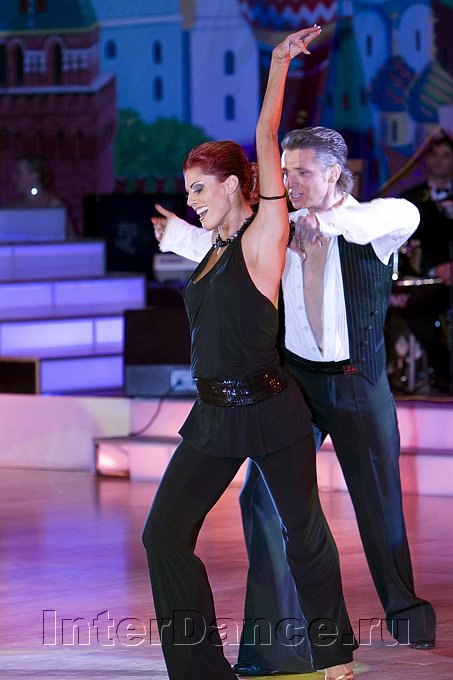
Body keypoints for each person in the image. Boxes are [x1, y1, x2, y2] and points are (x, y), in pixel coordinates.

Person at [152, 127, 437, 675]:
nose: (289, 181)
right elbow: (229, 251)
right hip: (295, 388)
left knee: (379, 508)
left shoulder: (371, 224)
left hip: (356, 384)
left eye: (301, 172)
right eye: (283, 172)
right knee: (262, 505)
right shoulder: (276, 227)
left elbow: (406, 215)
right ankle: (274, 644)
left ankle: (406, 616)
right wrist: (177, 235)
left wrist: (323, 223)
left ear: (333, 173)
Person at [142, 26, 358, 680]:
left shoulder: (266, 236)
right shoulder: (211, 249)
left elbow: (264, 135)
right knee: (162, 536)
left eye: (199, 189)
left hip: (270, 410)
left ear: (235, 186)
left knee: (303, 533)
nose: (191, 202)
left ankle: (334, 657)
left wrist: (277, 63)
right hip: (213, 416)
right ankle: (200, 671)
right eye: (188, 192)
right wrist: (177, 231)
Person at [398, 133, 453, 392]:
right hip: (429, 279)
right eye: (435, 155)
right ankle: (441, 371)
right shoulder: (410, 200)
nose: (440, 161)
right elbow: (406, 244)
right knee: (417, 308)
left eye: (446, 156)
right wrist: (434, 268)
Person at [7, 156, 75, 238]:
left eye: (18, 173)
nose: (13, 178)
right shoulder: (13, 206)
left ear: (34, 176)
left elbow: (71, 239)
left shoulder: (53, 205)